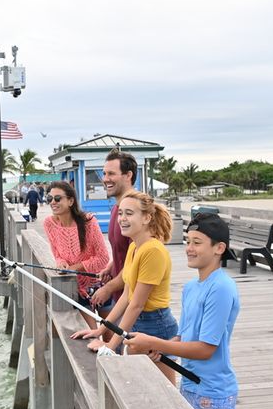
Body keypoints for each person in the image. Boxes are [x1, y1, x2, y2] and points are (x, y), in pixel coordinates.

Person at [124, 212, 241, 409]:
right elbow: (183, 338)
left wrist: (153, 342)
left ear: (219, 248)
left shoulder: (221, 288)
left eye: (197, 243)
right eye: (188, 241)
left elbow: (205, 349)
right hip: (190, 386)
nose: (189, 248)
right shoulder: (191, 288)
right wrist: (162, 351)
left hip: (213, 392)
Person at [71, 190, 179, 384]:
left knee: (166, 389)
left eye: (129, 213)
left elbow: (136, 304)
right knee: (144, 386)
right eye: (120, 213)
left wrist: (111, 347)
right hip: (138, 322)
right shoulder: (134, 246)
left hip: (156, 325)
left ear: (147, 217)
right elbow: (126, 296)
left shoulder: (152, 250)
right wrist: (100, 330)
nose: (122, 219)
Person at [42, 181, 111, 329]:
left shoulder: (89, 222)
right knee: (91, 336)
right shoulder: (49, 223)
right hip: (77, 288)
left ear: (71, 201)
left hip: (101, 284)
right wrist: (60, 263)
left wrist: (74, 267)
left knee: (110, 337)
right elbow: (57, 254)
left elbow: (103, 258)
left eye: (58, 198)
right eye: (49, 199)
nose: (53, 202)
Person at [88, 150, 137, 317]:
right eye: (104, 173)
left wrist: (108, 288)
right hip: (120, 297)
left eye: (111, 174)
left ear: (128, 175)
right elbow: (124, 250)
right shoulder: (118, 208)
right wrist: (111, 267)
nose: (105, 179)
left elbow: (136, 264)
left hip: (136, 306)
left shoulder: (136, 211)